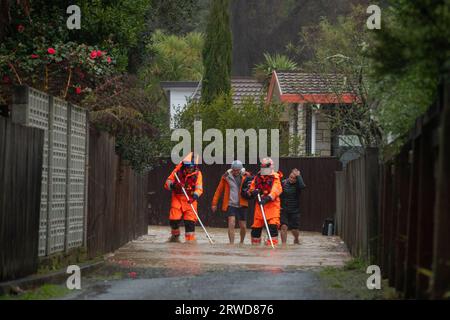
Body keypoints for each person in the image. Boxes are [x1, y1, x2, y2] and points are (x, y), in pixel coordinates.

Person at [164, 152, 203, 243]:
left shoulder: (198, 174)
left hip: (190, 200)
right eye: (187, 167)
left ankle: (190, 244)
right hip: (177, 198)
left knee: (190, 224)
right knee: (174, 219)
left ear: (194, 166)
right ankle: (175, 237)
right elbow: (167, 183)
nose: (189, 169)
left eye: (191, 167)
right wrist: (174, 185)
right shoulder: (177, 172)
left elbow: (199, 188)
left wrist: (195, 196)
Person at [212, 160, 251, 244]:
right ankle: (231, 243)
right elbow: (219, 190)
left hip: (242, 204)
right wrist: (214, 203)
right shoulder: (226, 177)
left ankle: (241, 242)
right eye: (234, 170)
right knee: (231, 223)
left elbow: (252, 188)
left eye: (237, 170)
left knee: (243, 226)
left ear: (241, 170)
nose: (235, 172)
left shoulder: (247, 176)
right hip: (230, 204)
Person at [247, 157, 283, 246]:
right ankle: (255, 250)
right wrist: (253, 192)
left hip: (272, 206)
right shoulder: (257, 177)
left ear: (271, 167)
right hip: (260, 207)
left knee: (272, 228)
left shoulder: (275, 177)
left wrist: (267, 198)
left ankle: (271, 251)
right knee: (255, 230)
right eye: (262, 166)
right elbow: (251, 189)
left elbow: (277, 190)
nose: (263, 169)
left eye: (265, 167)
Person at [280, 168, 306, 245]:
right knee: (283, 227)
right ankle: (284, 244)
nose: (291, 179)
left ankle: (296, 238)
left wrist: (299, 176)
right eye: (290, 177)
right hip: (284, 209)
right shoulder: (283, 183)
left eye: (294, 178)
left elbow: (303, 187)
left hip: (294, 210)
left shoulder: (298, 185)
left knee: (294, 229)